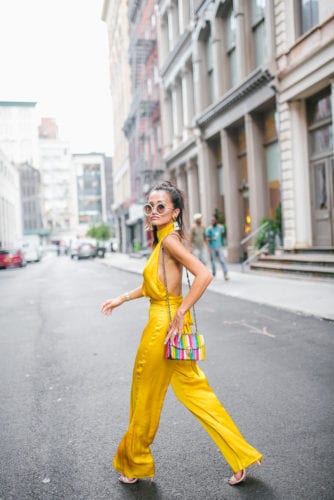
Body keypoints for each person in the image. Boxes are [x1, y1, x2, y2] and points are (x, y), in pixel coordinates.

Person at [101, 181, 262, 487]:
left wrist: (181, 311)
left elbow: (204, 274)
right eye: (149, 207)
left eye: (160, 207)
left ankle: (134, 464)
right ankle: (240, 456)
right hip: (172, 322)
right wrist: (121, 298)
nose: (153, 212)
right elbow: (156, 285)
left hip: (163, 325)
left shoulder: (170, 242)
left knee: (144, 395)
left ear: (174, 212)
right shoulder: (163, 241)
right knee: (196, 392)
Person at [206, 216, 230, 280]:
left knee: (222, 260)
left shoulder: (220, 227)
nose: (212, 222)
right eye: (211, 221)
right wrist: (211, 240)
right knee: (213, 261)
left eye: (213, 220)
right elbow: (207, 239)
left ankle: (225, 274)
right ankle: (214, 274)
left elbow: (223, 233)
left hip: (219, 246)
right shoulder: (209, 229)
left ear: (216, 221)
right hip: (212, 247)